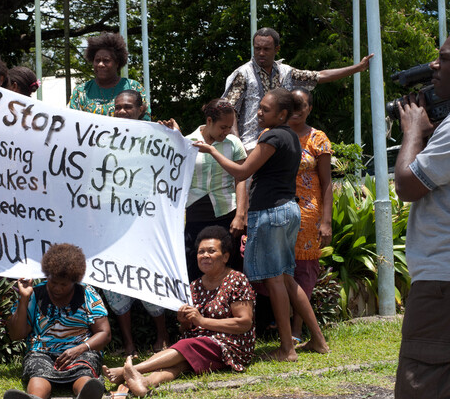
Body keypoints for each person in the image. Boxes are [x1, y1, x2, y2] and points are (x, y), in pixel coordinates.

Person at [195, 88, 328, 361]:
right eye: (260, 107)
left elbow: (242, 171)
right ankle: (318, 341)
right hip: (289, 210)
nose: (258, 112)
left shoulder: (272, 135)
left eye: (265, 109)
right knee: (287, 279)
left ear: (281, 114)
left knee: (275, 280)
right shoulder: (291, 135)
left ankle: (287, 349)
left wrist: (211, 150)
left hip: (271, 213)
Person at [103, 226, 255, 397]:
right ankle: (145, 383)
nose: (205, 255)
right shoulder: (194, 286)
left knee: (186, 346)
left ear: (225, 257)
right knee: (182, 365)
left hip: (230, 345)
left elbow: (244, 323)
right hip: (198, 342)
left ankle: (129, 370)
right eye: (201, 252)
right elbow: (187, 330)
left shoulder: (236, 280)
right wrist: (184, 322)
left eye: (211, 251)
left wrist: (203, 322)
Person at [394, 38, 450, 398]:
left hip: (441, 283)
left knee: (423, 386)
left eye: (443, 60)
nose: (433, 66)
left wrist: (412, 132)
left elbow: (409, 185)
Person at [222, 27, 373, 151]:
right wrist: (237, 145)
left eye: (266, 49)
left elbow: (319, 76)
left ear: (277, 49)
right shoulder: (242, 74)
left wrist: (357, 68)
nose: (261, 53)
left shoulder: (286, 72)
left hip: (282, 144)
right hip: (251, 146)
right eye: (257, 48)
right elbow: (229, 108)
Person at [100, 89, 169, 357]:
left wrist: (173, 133)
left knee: (151, 280)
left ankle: (162, 338)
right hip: (112, 227)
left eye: (128, 107)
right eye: (118, 108)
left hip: (146, 225)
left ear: (141, 109)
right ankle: (129, 344)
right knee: (116, 284)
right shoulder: (103, 139)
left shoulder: (157, 137)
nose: (122, 112)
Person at [4, 243, 111, 399]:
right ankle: (34, 397)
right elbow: (16, 334)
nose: (57, 288)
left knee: (83, 372)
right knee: (38, 373)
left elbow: (104, 333)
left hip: (80, 352)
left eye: (64, 284)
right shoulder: (35, 294)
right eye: (53, 282)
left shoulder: (87, 293)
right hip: (41, 352)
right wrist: (24, 298)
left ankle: (86, 394)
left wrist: (80, 349)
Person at [160, 99, 247, 282]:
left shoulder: (233, 143)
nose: (226, 132)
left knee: (228, 264)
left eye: (229, 127)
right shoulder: (188, 142)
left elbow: (240, 179)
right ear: (209, 121)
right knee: (195, 264)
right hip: (195, 215)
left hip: (226, 214)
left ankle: (226, 308)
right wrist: (173, 138)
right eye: (223, 127)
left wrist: (240, 215)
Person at [287, 88, 332, 342]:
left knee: (304, 270)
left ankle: (297, 328)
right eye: (290, 105)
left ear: (309, 109)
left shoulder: (318, 139)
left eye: (300, 105)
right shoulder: (274, 135)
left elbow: (327, 183)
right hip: (279, 210)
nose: (295, 110)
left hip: (308, 215)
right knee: (281, 269)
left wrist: (326, 222)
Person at [69, 32, 150, 120]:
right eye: (97, 60)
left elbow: (146, 121)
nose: (100, 64)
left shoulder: (134, 87)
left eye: (106, 60)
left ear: (117, 63)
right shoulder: (81, 91)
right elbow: (71, 121)